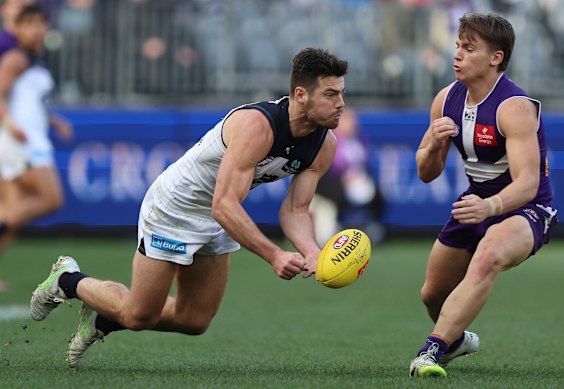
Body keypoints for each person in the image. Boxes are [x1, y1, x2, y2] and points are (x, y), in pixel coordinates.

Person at [30, 47, 348, 368]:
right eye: (331, 95)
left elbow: (294, 210)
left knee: (195, 320)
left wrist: (311, 251)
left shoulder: (325, 143)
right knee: (139, 314)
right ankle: (67, 279)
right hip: (176, 208)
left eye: (341, 94)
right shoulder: (258, 125)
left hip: (220, 214)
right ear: (300, 95)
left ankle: (104, 320)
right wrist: (275, 255)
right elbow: (223, 205)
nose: (341, 104)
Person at [409, 12, 558, 378]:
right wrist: (431, 143)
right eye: (458, 45)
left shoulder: (515, 107)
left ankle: (431, 351)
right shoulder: (445, 100)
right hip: (476, 203)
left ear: (496, 58)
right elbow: (427, 174)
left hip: (528, 208)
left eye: (469, 48)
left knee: (488, 254)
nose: (457, 54)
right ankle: (455, 340)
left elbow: (527, 183)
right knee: (432, 294)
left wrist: (489, 207)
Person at [0, 5, 72, 266]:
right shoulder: (16, 58)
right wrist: (8, 122)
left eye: (40, 23)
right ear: (17, 28)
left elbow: (30, 102)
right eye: (28, 24)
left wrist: (54, 121)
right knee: (51, 199)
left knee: (12, 205)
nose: (36, 30)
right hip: (21, 142)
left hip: (30, 138)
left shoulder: (35, 59)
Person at [310, 107, 384, 246]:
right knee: (337, 192)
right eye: (348, 120)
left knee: (378, 193)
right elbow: (325, 166)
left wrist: (358, 176)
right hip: (329, 181)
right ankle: (337, 226)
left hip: (356, 179)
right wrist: (343, 177)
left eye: (353, 120)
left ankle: (373, 226)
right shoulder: (329, 139)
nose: (352, 124)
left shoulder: (360, 140)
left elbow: (366, 163)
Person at [0, 0, 33, 292]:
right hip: (5, 132)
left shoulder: (22, 45)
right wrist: (8, 122)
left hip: (7, 132)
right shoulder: (7, 44)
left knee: (9, 205)